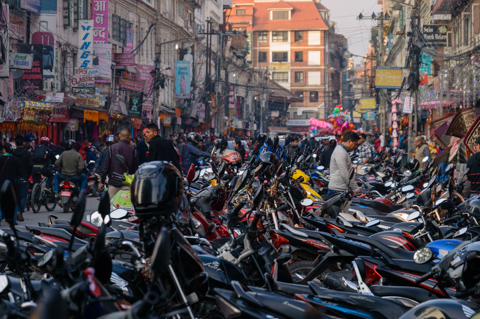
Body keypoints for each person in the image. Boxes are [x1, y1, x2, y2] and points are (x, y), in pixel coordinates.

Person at [99, 128, 138, 199]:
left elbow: (105, 167)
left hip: (113, 183)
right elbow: (135, 170)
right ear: (129, 137)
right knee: (126, 206)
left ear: (119, 136)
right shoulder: (133, 151)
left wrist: (102, 181)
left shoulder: (111, 148)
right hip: (127, 184)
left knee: (112, 206)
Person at [327, 131, 361, 199]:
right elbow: (344, 173)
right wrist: (355, 188)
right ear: (350, 141)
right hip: (337, 190)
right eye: (355, 144)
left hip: (340, 189)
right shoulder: (340, 152)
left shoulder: (342, 151)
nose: (355, 146)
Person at [0, 143, 21, 224]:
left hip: (1, 182)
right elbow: (19, 172)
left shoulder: (1, 159)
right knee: (13, 200)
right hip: (12, 183)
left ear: (4, 150)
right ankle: (13, 219)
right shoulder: (15, 159)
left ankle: (0, 215)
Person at [12, 135, 32, 215]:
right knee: (23, 196)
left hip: (15, 177)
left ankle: (15, 211)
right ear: (23, 143)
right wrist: (28, 175)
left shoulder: (13, 154)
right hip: (24, 177)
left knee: (15, 196)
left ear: (15, 143)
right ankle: (20, 211)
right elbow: (30, 165)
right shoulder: (27, 153)